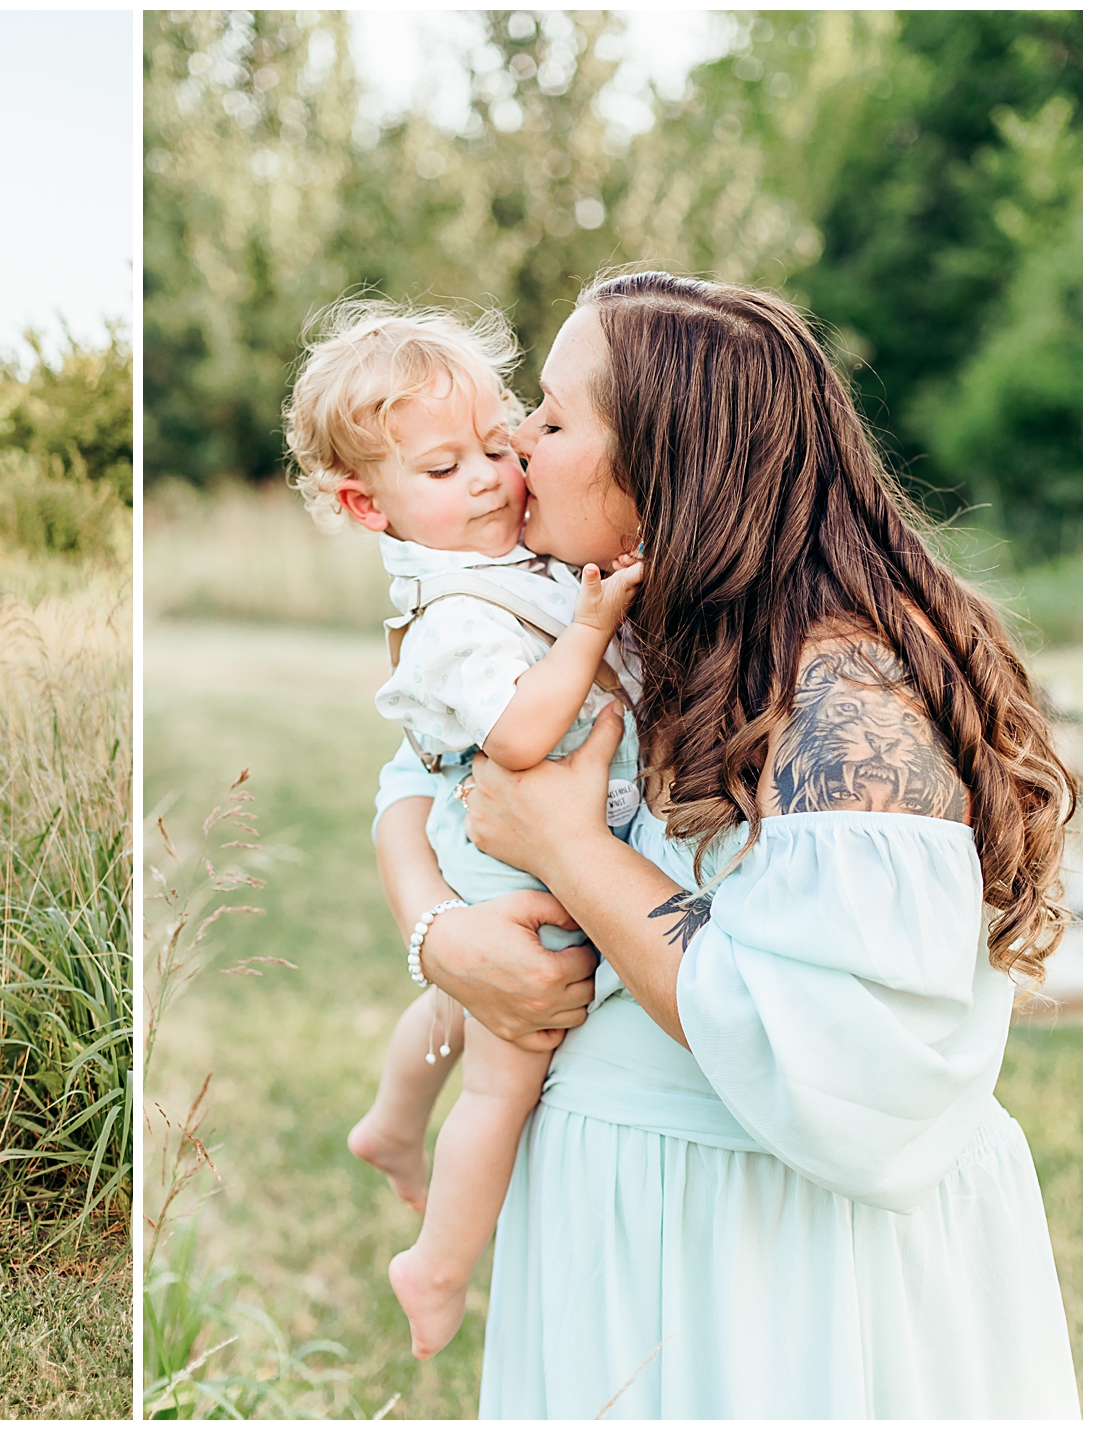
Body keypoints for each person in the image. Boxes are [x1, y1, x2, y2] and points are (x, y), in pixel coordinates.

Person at [375, 271, 1079, 1416]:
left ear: (665, 459)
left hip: (774, 1271)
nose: (513, 437)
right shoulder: (606, 623)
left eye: (551, 417)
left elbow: (860, 1075)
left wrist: (566, 846)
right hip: (621, 1227)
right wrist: (434, 931)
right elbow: (412, 771)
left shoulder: (845, 708)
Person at [281, 299, 646, 1360]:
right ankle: (434, 1263)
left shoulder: (493, 565)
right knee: (506, 1064)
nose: (488, 477)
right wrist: (589, 625)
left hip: (511, 839)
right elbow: (525, 731)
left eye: (496, 445)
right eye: (443, 470)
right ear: (365, 502)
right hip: (506, 852)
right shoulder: (447, 619)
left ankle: (390, 1121)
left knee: (454, 998)